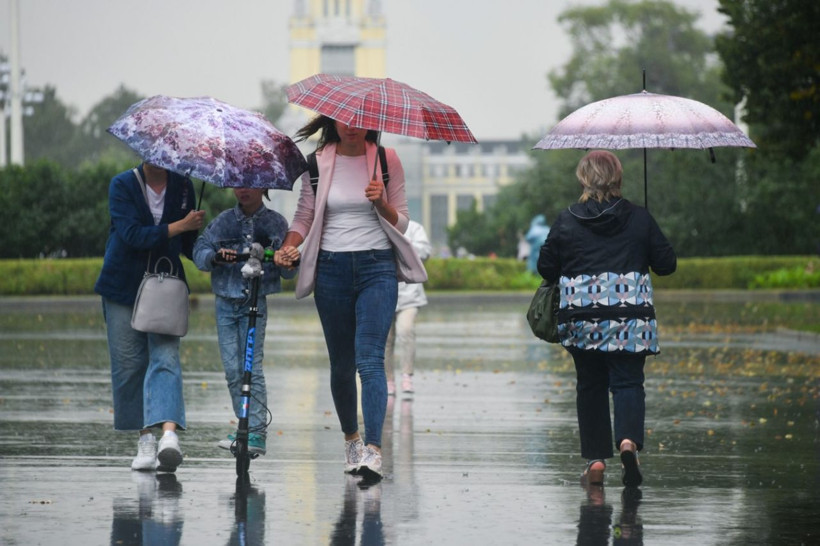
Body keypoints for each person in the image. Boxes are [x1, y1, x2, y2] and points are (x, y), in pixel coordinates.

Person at [274, 114, 425, 480]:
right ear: (332, 121)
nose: (351, 125)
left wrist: (381, 202)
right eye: (343, 120)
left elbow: (403, 221)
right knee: (341, 365)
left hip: (377, 269)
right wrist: (287, 247)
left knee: (370, 360)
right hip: (331, 269)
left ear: (371, 121)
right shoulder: (318, 162)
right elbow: (304, 217)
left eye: (359, 119)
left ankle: (374, 450)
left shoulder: (387, 160)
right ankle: (352, 440)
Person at [537, 150, 676, 487]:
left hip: (582, 319)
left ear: (583, 178)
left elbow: (546, 268)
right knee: (628, 382)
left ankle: (596, 461)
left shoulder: (567, 219)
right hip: (630, 320)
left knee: (591, 385)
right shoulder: (640, 217)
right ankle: (628, 442)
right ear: (618, 178)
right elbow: (666, 264)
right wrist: (642, 232)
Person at [95, 162, 205, 473]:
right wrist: (180, 226)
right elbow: (131, 235)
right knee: (130, 365)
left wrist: (207, 249)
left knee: (166, 358)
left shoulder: (184, 185)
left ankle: (169, 436)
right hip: (122, 287)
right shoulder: (122, 184)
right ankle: (145, 439)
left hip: (165, 285)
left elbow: (187, 246)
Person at [192, 187, 296, 457]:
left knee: (252, 367)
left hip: (255, 302)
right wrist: (214, 257)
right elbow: (200, 252)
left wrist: (285, 261)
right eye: (238, 184)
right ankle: (243, 427)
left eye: (250, 184)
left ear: (263, 187)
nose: (243, 190)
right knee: (232, 370)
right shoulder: (223, 221)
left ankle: (257, 432)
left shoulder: (276, 223)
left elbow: (289, 270)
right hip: (225, 302)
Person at [385, 219, 431, 396]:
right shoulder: (378, 224)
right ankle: (388, 380)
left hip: (410, 294)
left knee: (406, 331)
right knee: (385, 339)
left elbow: (425, 251)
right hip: (384, 293)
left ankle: (407, 376)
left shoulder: (414, 227)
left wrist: (402, 247)